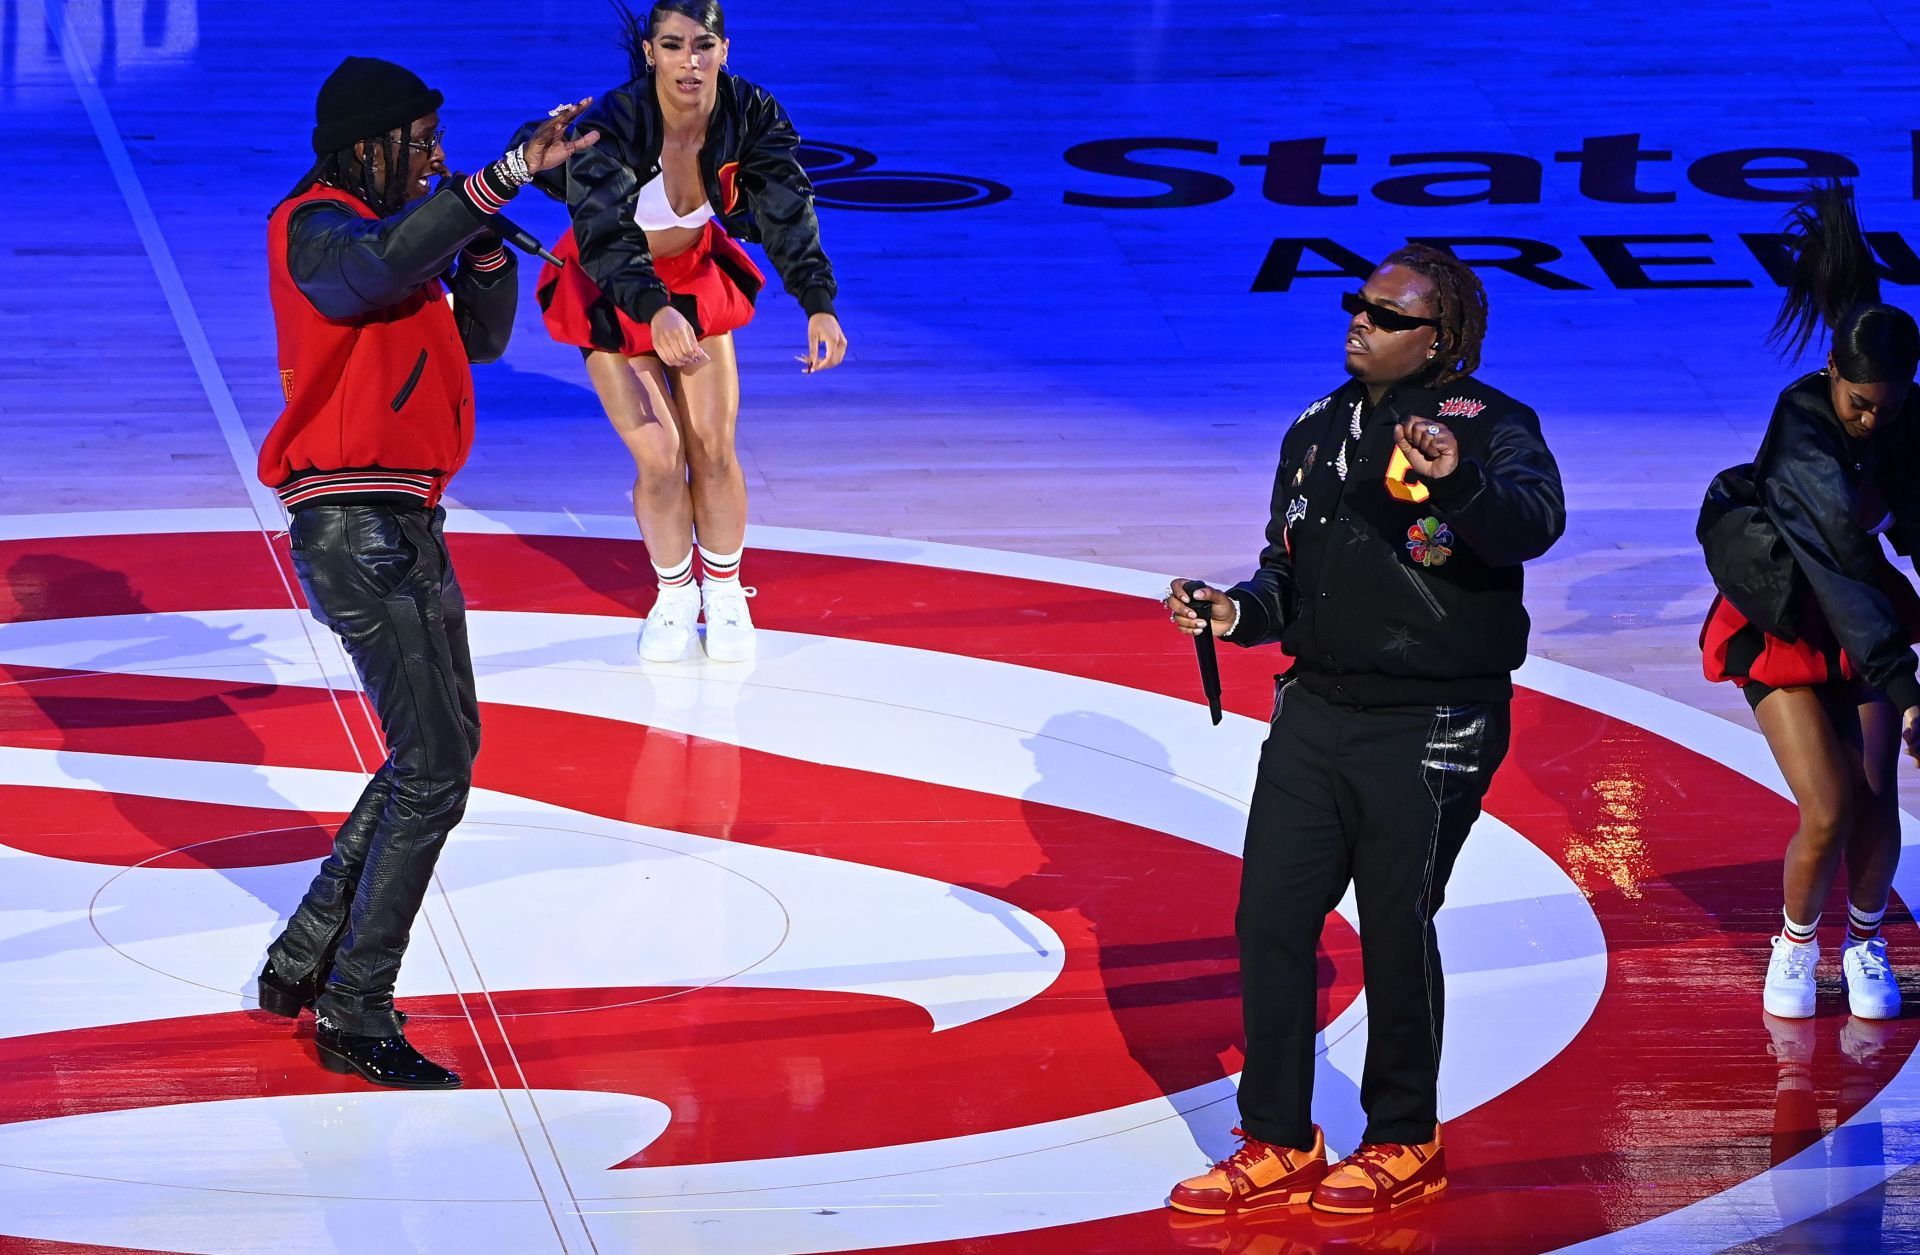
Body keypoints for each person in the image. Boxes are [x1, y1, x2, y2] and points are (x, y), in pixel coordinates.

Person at [1161, 245, 1565, 1216]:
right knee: (1270, 920)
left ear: (1442, 340)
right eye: (1359, 305)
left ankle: (1403, 1133)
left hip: (1435, 719)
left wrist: (1458, 480)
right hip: (1316, 711)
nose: (1361, 323)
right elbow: (1286, 578)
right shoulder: (1313, 430)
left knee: (1393, 922)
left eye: (1388, 316)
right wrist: (1234, 613)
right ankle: (1278, 1137)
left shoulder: (1492, 427)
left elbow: (1530, 524)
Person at [253, 56, 596, 1088]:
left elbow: (483, 342)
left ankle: (306, 951)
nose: (438, 155)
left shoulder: (405, 242)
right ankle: (355, 1004)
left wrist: (483, 250)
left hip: (405, 518)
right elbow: (366, 271)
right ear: (369, 144)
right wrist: (492, 181)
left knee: (439, 751)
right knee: (436, 764)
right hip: (356, 521)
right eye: (424, 138)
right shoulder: (315, 226)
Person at [529, 0, 846, 664]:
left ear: (724, 49)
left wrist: (817, 300)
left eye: (703, 44)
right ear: (651, 54)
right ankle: (675, 594)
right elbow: (606, 234)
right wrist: (651, 308)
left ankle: (725, 593)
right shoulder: (616, 122)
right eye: (673, 46)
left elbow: (786, 205)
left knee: (714, 447)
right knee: (660, 456)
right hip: (615, 286)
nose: (690, 61)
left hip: (693, 277)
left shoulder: (750, 112)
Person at [1699, 179, 1920, 1023]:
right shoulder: (1800, 430)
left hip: (1862, 614)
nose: (1871, 422)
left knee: (1878, 806)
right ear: (1832, 376)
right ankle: (1795, 942)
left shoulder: (1905, 418)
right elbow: (1837, 567)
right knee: (1827, 809)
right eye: (1860, 406)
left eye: (1888, 408)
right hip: (1791, 616)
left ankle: (1864, 940)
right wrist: (1906, 691)